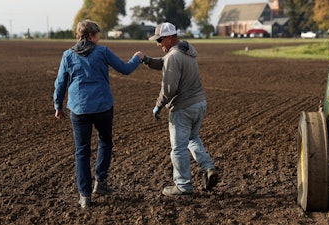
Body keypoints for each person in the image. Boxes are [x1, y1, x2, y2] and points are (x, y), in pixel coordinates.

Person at [53, 19, 145, 208]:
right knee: (105, 141)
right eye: (97, 35)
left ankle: (85, 195)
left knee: (82, 151)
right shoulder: (102, 52)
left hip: (78, 109)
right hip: (103, 107)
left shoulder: (68, 55)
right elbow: (125, 69)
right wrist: (138, 57)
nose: (99, 38)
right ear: (90, 36)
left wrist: (58, 106)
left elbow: (61, 82)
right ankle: (100, 182)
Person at [143, 22, 219, 196]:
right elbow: (163, 63)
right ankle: (208, 168)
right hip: (199, 103)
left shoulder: (173, 57)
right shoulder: (187, 49)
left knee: (178, 148)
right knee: (193, 138)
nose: (158, 44)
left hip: (183, 107)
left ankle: (183, 185)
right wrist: (147, 60)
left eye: (160, 40)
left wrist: (158, 105)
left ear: (170, 38)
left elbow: (169, 88)